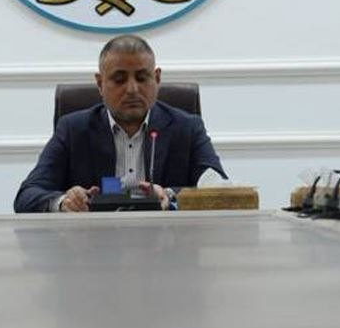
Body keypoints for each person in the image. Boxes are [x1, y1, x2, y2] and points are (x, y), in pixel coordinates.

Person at [14, 34, 225, 212]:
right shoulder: (73, 129)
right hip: (93, 243)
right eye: (119, 79)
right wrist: (64, 202)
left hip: (167, 242)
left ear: (157, 78)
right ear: (100, 83)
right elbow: (27, 195)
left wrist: (169, 196)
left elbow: (221, 192)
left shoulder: (187, 128)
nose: (132, 89)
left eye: (142, 78)